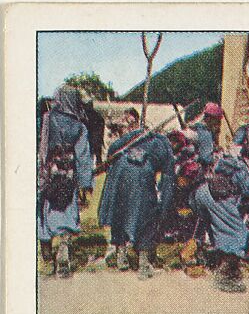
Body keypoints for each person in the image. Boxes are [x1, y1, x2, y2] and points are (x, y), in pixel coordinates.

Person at [98, 119, 175, 280]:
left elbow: (112, 149)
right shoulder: (166, 146)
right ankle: (143, 263)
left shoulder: (136, 135)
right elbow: (168, 182)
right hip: (141, 173)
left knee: (120, 211)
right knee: (147, 215)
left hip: (119, 170)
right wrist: (163, 208)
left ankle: (121, 256)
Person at [189, 154, 249, 293]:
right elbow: (248, 189)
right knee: (237, 234)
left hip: (203, 194)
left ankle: (219, 263)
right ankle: (225, 277)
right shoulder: (243, 171)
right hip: (218, 198)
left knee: (218, 231)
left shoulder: (225, 164)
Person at [37, 85, 93, 277]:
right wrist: (86, 184)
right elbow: (83, 157)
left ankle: (46, 253)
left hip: (46, 175)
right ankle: (63, 248)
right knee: (66, 212)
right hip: (68, 177)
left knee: (43, 212)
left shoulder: (44, 120)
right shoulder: (79, 126)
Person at [82, 99, 105, 165]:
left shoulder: (86, 115)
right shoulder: (98, 115)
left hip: (93, 136)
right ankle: (98, 163)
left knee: (92, 151)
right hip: (96, 136)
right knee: (97, 151)